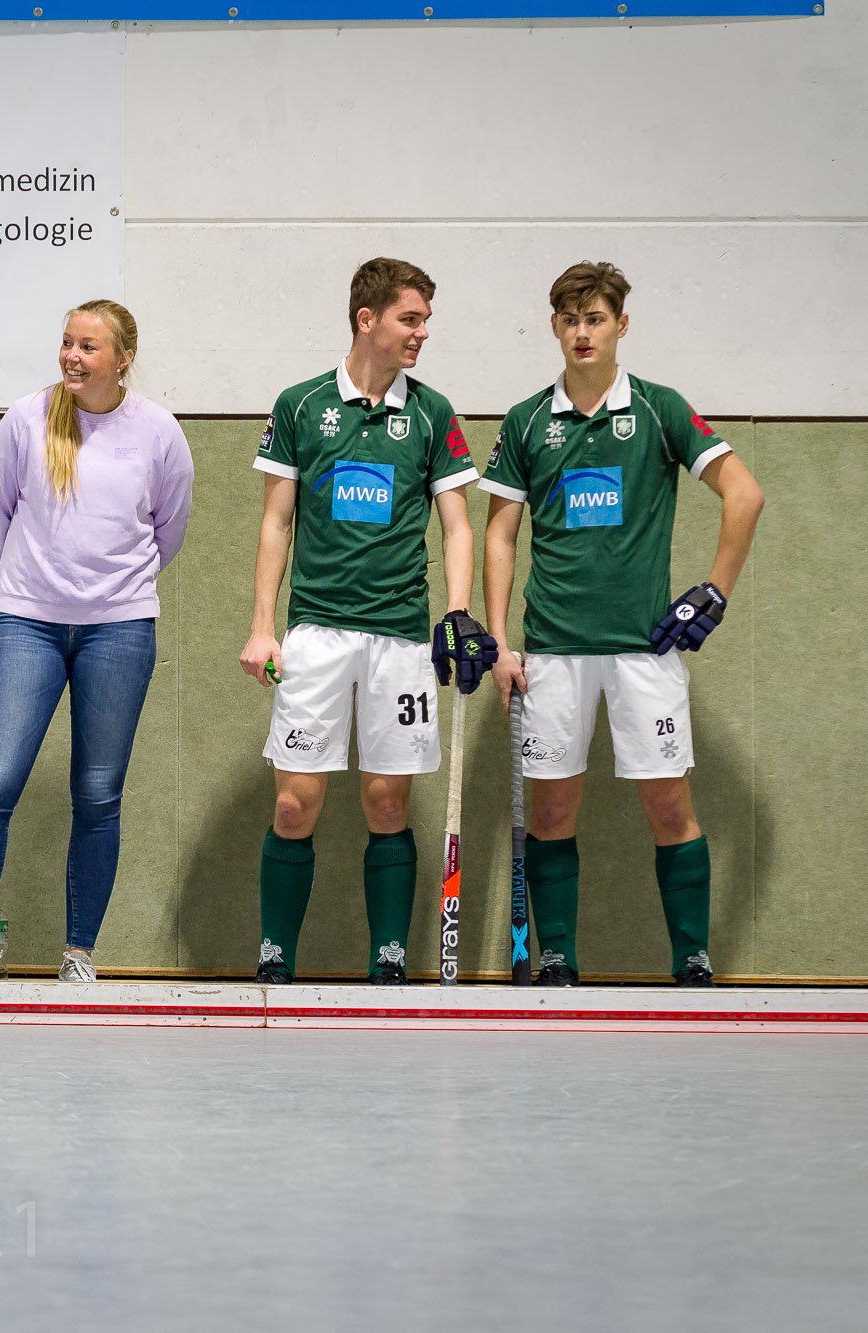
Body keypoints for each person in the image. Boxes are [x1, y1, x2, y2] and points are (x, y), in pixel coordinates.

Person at [480, 261, 764, 986]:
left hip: (645, 649)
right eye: (571, 320)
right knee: (553, 810)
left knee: (669, 803)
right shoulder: (526, 420)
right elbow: (500, 533)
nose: (583, 332)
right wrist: (501, 641)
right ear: (554, 327)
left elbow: (745, 494)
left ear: (621, 325)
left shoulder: (661, 408)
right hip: (553, 651)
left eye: (596, 318)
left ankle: (692, 957)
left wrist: (714, 592)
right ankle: (557, 958)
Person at [0, 300, 194, 983]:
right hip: (28, 622)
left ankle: (79, 954)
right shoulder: (26, 419)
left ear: (123, 358)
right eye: (68, 342)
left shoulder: (158, 431)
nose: (73, 355)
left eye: (89, 346)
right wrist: (39, 587)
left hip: (121, 629)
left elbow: (168, 528)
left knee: (98, 794)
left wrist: (112, 593)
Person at [238, 258, 490, 986]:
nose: (422, 333)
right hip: (316, 632)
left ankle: (389, 957)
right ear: (366, 319)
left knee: (387, 801)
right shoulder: (300, 404)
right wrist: (262, 626)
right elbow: (276, 522)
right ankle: (275, 955)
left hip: (400, 635)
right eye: (410, 319)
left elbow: (458, 526)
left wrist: (457, 613)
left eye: (425, 320)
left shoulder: (433, 413)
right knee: (294, 804)